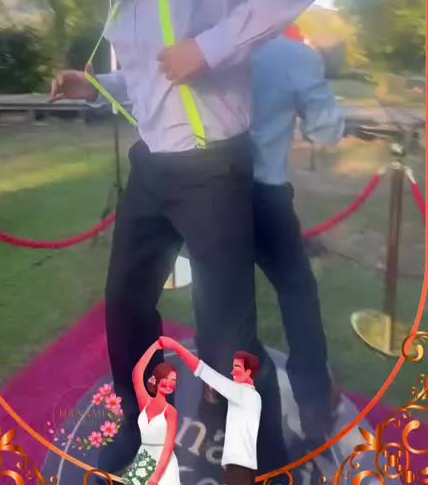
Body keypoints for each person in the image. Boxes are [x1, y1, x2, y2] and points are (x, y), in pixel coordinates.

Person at [49, 0, 320, 475]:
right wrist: (93, 85)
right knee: (125, 307)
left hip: (211, 173)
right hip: (151, 169)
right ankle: (143, 419)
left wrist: (209, 47)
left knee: (229, 338)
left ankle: (258, 464)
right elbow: (148, 81)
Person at [249, 31, 345, 447]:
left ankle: (218, 390)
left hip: (209, 193)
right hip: (265, 194)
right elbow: (325, 131)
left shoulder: (208, 44)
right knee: (297, 291)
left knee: (220, 295)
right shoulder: (294, 55)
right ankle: (314, 405)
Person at [160, 336, 262, 485]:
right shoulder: (249, 395)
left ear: (248, 373)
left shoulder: (242, 394)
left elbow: (204, 372)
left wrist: (178, 349)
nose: (233, 372)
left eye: (237, 369)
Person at [124, 340, 180, 485]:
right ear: (157, 379)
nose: (169, 383)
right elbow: (137, 373)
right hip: (143, 458)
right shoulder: (145, 402)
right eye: (166, 378)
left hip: (163, 466)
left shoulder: (170, 412)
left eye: (173, 380)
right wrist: (154, 347)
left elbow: (168, 447)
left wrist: (156, 476)